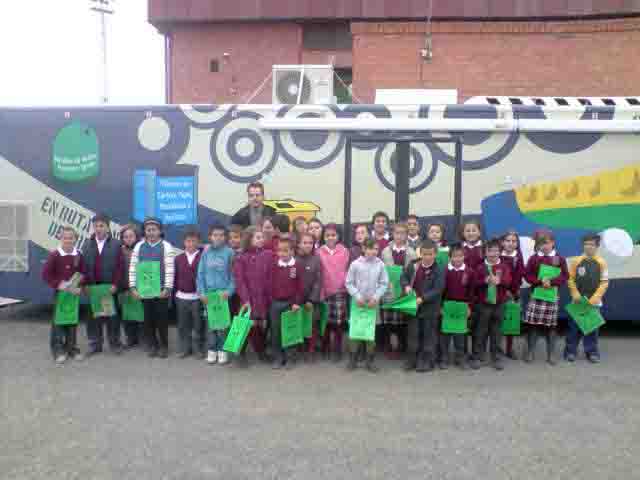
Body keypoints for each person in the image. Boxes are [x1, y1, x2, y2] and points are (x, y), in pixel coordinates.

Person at [129, 217, 175, 359]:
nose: (151, 232)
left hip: (161, 291)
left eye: (154, 230)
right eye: (148, 230)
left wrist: (167, 288)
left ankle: (164, 346)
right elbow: (133, 267)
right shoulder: (139, 246)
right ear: (144, 232)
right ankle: (152, 345)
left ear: (160, 231)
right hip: (144, 291)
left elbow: (170, 268)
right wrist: (133, 287)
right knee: (148, 320)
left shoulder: (166, 246)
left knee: (162, 320)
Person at [42, 226, 86, 364]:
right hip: (60, 294)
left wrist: (80, 287)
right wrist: (59, 284)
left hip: (73, 294)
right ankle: (58, 350)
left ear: (75, 239)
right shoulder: (55, 255)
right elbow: (46, 275)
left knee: (72, 321)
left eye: (71, 238)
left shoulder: (78, 255)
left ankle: (71, 348)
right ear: (60, 238)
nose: (68, 240)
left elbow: (83, 273)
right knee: (59, 322)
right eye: (65, 238)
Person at [523, 231, 568, 365]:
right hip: (536, 296)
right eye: (541, 243)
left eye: (547, 243)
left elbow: (565, 276)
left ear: (553, 243)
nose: (544, 246)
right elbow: (527, 275)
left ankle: (551, 354)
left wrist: (552, 282)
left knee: (551, 326)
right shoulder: (534, 258)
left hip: (552, 296)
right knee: (533, 325)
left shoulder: (559, 258)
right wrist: (539, 281)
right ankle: (530, 351)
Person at [82, 213, 124, 356]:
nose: (98, 229)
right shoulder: (87, 244)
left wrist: (116, 285)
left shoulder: (116, 244)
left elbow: (120, 267)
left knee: (112, 318)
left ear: (108, 227)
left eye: (101, 226)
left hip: (109, 289)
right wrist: (85, 285)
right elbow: (83, 267)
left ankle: (114, 343)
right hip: (93, 289)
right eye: (96, 226)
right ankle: (95, 344)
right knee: (94, 318)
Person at [345, 239, 389, 373]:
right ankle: (353, 359)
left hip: (372, 305)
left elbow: (384, 283)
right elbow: (349, 283)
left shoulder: (380, 265)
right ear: (363, 249)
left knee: (370, 333)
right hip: (358, 304)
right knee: (355, 332)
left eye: (376, 249)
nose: (373, 252)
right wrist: (357, 296)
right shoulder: (355, 264)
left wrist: (376, 297)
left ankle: (370, 360)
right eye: (370, 248)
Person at [401, 239, 445, 372]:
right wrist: (406, 286)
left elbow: (438, 289)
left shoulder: (439, 269)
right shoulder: (414, 265)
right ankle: (412, 360)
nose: (427, 257)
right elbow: (403, 277)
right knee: (413, 335)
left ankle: (427, 361)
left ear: (435, 254)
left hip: (430, 309)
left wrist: (423, 298)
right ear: (420, 253)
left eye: (430, 254)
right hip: (414, 307)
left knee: (428, 336)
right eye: (424, 254)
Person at [565, 233, 609, 364]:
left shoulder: (601, 263)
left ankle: (592, 352)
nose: (588, 247)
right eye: (586, 244)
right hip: (578, 301)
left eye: (591, 245)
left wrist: (595, 298)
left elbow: (604, 282)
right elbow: (570, 279)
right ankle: (570, 351)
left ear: (597, 246)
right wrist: (575, 294)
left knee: (591, 329)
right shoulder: (576, 261)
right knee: (574, 328)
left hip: (593, 303)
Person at [470, 239, 512, 371]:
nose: (493, 254)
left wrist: (500, 281)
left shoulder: (504, 267)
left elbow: (508, 281)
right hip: (483, 305)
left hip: (499, 304)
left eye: (496, 251)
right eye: (490, 251)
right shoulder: (480, 267)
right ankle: (478, 356)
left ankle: (496, 357)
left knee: (496, 332)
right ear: (485, 252)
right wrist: (484, 280)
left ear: (500, 252)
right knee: (480, 331)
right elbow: (474, 284)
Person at [233, 226, 273, 366]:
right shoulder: (241, 257)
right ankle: (239, 352)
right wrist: (245, 299)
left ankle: (261, 351)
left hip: (263, 298)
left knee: (258, 325)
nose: (261, 239)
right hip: (248, 298)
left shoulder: (268, 255)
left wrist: (269, 296)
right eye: (258, 237)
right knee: (245, 324)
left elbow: (271, 276)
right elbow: (240, 281)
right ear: (249, 239)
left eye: (262, 237)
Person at [198, 224, 235, 365]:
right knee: (210, 325)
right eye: (215, 235)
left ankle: (222, 350)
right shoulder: (206, 252)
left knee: (223, 326)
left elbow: (234, 276)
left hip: (223, 296)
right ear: (210, 237)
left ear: (225, 237)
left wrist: (229, 291)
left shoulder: (229, 253)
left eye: (221, 235)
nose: (218, 237)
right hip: (209, 296)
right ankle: (211, 350)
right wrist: (201, 292)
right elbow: (200, 274)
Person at [381, 223, 418, 358]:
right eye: (397, 233)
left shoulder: (412, 252)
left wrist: (409, 287)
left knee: (402, 323)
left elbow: (414, 273)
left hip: (404, 291)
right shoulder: (385, 251)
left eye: (403, 233)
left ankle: (402, 346)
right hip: (389, 291)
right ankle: (389, 346)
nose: (399, 236)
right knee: (388, 322)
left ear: (407, 235)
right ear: (393, 234)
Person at [268, 237, 304, 369]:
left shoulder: (297, 266)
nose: (282, 253)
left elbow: (300, 287)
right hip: (276, 304)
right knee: (276, 332)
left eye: (285, 250)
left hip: (291, 304)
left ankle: (290, 357)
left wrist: (296, 302)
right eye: (279, 250)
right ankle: (278, 357)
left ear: (292, 251)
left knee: (290, 331)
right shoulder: (274, 266)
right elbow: (269, 283)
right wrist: (271, 300)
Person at [317, 223, 350, 362]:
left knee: (338, 323)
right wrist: (320, 292)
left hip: (339, 292)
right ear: (323, 237)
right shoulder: (319, 252)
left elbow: (347, 269)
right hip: (324, 292)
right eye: (327, 235)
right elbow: (318, 273)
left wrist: (345, 286)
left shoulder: (344, 251)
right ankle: (325, 347)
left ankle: (337, 349)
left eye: (333, 235)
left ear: (338, 236)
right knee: (325, 322)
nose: (330, 237)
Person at [174, 229, 204, 359]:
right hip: (181, 297)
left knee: (198, 325)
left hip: (197, 297)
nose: (191, 243)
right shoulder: (178, 258)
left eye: (193, 241)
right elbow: (175, 278)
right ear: (184, 242)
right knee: (183, 324)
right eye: (188, 241)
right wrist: (175, 294)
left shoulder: (203, 257)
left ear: (198, 242)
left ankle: (197, 348)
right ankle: (185, 348)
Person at [296, 232, 323, 362]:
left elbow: (318, 281)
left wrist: (312, 299)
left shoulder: (316, 259)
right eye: (304, 243)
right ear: (299, 244)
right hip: (297, 300)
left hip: (312, 300)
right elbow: (292, 282)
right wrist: (298, 300)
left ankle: (311, 350)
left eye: (310, 243)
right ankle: (301, 347)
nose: (307, 245)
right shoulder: (294, 259)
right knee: (299, 323)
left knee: (312, 324)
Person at [500, 230, 525, 360]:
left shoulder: (518, 257)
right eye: (508, 240)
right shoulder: (498, 256)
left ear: (517, 243)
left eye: (514, 241)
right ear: (502, 243)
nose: (510, 243)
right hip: (500, 293)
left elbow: (519, 276)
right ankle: (497, 346)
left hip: (513, 294)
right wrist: (504, 290)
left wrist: (514, 292)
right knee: (498, 321)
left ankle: (509, 349)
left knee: (511, 321)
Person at [119, 224, 142, 348]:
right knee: (127, 315)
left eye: (131, 236)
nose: (128, 239)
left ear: (136, 237)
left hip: (140, 288)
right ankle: (130, 338)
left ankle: (143, 338)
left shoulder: (141, 249)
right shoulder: (120, 251)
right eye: (125, 236)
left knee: (141, 314)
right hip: (125, 288)